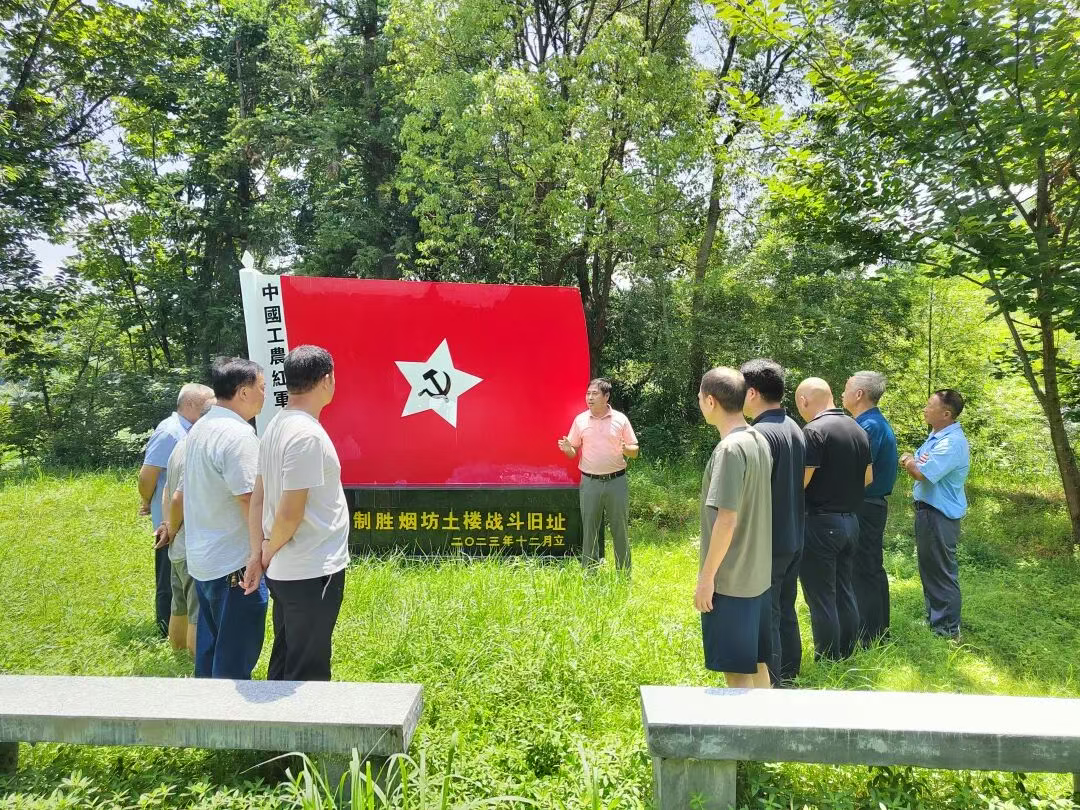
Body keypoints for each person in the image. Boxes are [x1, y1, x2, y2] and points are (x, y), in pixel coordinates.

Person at [251, 346, 349, 681]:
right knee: (308, 672)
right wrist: (266, 551)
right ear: (327, 379)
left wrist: (260, 552)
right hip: (310, 568)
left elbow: (258, 497)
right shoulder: (306, 435)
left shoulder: (276, 425)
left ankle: (274, 712)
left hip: (288, 569)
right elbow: (290, 513)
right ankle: (302, 716)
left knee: (286, 656)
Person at [176, 357, 266, 679]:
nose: (265, 395)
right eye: (261, 387)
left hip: (204, 560)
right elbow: (248, 498)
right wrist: (257, 556)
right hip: (234, 565)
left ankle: (205, 708)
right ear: (243, 392)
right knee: (233, 662)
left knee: (212, 651)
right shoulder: (237, 435)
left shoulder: (201, 428)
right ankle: (227, 711)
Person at [695, 367, 773, 689]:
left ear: (711, 401)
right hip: (757, 577)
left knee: (736, 673)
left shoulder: (729, 449)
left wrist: (706, 579)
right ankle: (768, 720)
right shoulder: (758, 439)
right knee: (757, 662)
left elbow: (727, 520)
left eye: (700, 397)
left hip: (731, 581)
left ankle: (746, 725)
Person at [795, 377, 873, 661]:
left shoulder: (814, 431)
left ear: (804, 400)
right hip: (851, 522)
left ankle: (828, 659)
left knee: (822, 597)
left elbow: (801, 483)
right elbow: (868, 477)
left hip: (819, 523)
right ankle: (847, 653)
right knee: (844, 591)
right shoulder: (858, 429)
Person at [740, 359, 806, 686]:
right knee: (785, 606)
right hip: (793, 534)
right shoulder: (793, 426)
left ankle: (774, 684)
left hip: (768, 540)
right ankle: (790, 673)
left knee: (768, 615)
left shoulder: (758, 435)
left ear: (752, 393)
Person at [138, 383, 215, 637]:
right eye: (208, 402)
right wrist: (146, 501)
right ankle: (164, 629)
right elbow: (147, 475)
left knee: (179, 581)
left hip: (182, 521)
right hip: (170, 522)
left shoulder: (188, 432)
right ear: (191, 404)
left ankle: (176, 636)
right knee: (169, 581)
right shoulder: (170, 432)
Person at [899, 389, 970, 640]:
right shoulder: (937, 437)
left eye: (930, 405)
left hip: (940, 514)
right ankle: (935, 621)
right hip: (929, 512)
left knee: (941, 572)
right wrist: (916, 462)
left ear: (946, 414)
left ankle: (948, 630)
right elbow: (922, 464)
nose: (925, 409)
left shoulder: (952, 443)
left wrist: (909, 461)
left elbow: (921, 473)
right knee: (930, 569)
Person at [155, 395, 215, 655]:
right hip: (191, 544)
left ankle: (178, 652)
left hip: (177, 545)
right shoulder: (198, 448)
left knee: (178, 605)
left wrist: (168, 526)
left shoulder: (181, 444)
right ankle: (193, 661)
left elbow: (167, 491)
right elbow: (178, 497)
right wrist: (174, 527)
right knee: (196, 612)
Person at [558, 379, 639, 571]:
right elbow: (572, 452)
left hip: (616, 481)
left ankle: (624, 572)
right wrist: (568, 449)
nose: (590, 397)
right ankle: (590, 571)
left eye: (595, 394)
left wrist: (625, 448)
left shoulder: (620, 419)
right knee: (589, 529)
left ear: (606, 396)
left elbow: (635, 451)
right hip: (590, 482)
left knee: (620, 528)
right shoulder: (580, 420)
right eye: (588, 394)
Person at [842, 371, 898, 645]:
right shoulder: (869, 423)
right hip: (868, 505)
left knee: (864, 569)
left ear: (859, 394)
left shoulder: (869, 427)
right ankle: (874, 630)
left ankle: (870, 635)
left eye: (846, 387)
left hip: (866, 505)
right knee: (867, 567)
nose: (842, 393)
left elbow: (860, 474)